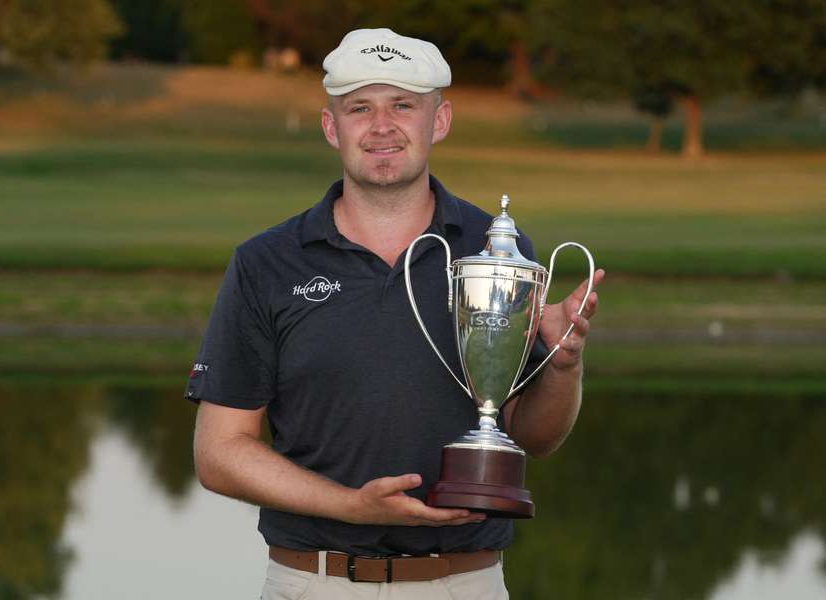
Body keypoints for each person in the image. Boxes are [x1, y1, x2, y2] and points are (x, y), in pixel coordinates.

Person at [186, 28, 604, 599]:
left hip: (464, 584)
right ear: (332, 127)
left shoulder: (497, 251)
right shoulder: (267, 263)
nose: (381, 126)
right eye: (360, 108)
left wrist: (563, 364)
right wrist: (350, 507)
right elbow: (219, 453)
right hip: (314, 583)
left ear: (440, 120)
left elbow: (535, 437)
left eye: (403, 105)